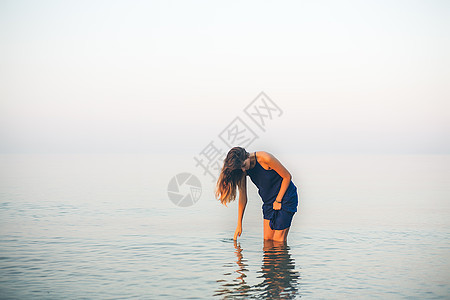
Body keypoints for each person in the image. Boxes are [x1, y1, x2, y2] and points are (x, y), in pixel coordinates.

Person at [215, 147, 299, 242]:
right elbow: (243, 197)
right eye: (240, 168)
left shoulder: (265, 158)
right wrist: (239, 224)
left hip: (286, 198)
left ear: (246, 156)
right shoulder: (242, 170)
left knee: (278, 241)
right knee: (267, 240)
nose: (243, 170)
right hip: (269, 202)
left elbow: (287, 177)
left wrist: (278, 200)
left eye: (243, 165)